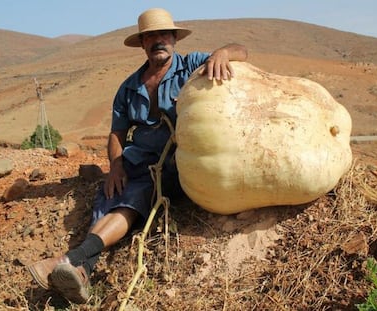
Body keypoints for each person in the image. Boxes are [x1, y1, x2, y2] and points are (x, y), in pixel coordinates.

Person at [28, 7, 248, 304]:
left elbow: (242, 50)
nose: (159, 40)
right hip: (136, 159)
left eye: (164, 34)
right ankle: (83, 269)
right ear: (142, 43)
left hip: (175, 161)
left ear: (174, 38)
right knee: (108, 198)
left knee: (135, 197)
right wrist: (116, 164)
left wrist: (222, 52)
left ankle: (68, 260)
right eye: (151, 36)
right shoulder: (129, 88)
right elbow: (117, 134)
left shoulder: (194, 64)